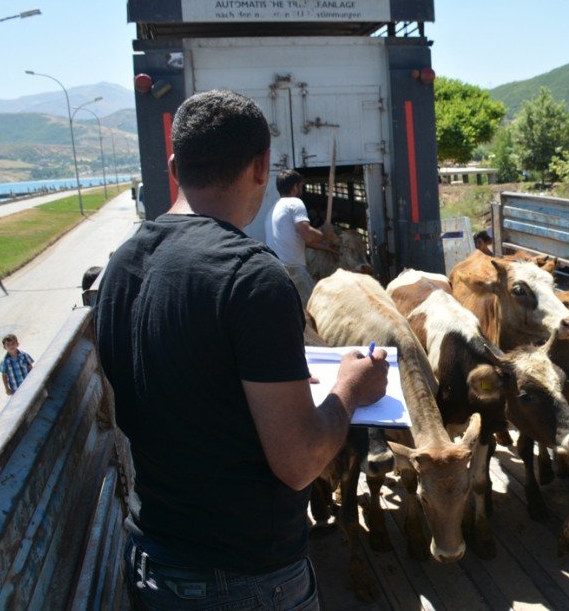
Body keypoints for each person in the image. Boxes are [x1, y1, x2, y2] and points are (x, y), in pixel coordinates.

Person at [94, 90, 388, 610]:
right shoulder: (254, 279)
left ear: (173, 166)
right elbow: (299, 463)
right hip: (243, 579)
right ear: (260, 167)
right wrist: (351, 387)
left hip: (151, 558)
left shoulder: (122, 265)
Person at [265, 169, 337, 307]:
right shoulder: (295, 203)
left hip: (277, 269)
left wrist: (326, 248)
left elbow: (299, 240)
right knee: (316, 308)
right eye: (301, 185)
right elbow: (308, 236)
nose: (301, 188)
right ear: (295, 187)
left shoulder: (274, 208)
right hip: (293, 269)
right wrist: (325, 234)